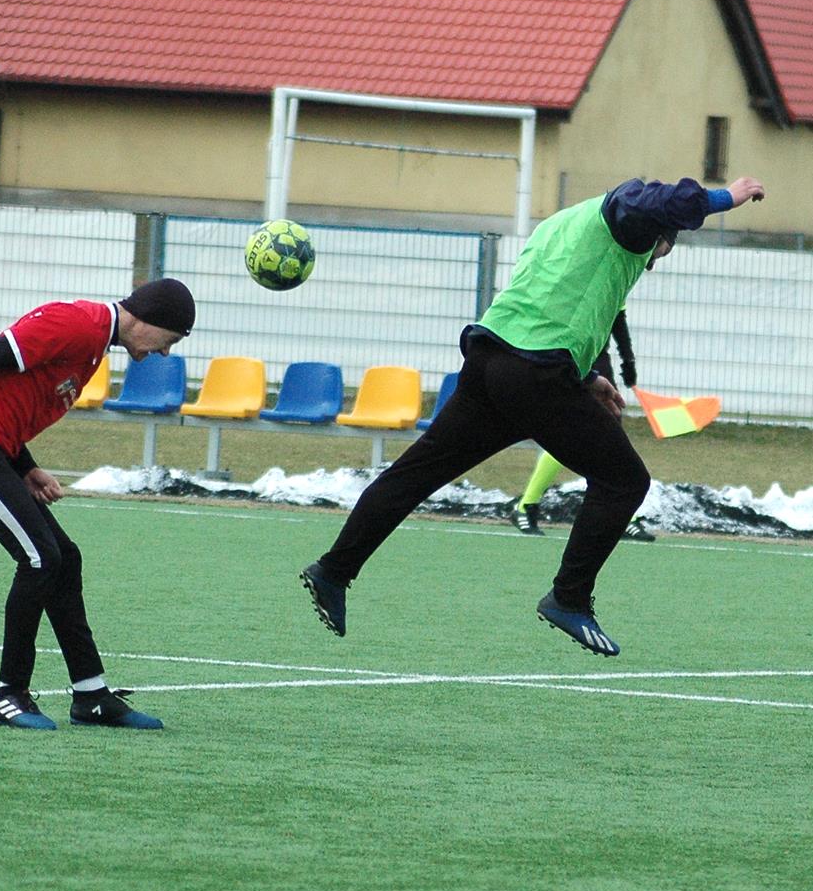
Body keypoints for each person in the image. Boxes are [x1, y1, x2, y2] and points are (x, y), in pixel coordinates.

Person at [300, 175, 766, 656]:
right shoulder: (628, 216)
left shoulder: (561, 226)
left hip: (491, 361)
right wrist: (724, 197)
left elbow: (548, 305)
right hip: (534, 374)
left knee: (417, 473)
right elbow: (653, 199)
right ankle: (569, 598)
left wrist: (587, 379)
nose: (654, 264)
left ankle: (334, 571)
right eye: (666, 249)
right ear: (660, 229)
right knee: (624, 481)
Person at [0, 279, 196, 731]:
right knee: (39, 557)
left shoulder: (94, 345)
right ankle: (9, 695)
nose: (165, 353)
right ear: (150, 320)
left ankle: (91, 696)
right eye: (171, 340)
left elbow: (12, 399)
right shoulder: (78, 324)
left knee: (63, 557)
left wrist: (25, 466)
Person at [510, 309, 654, 542]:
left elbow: (617, 317)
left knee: (610, 437)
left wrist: (628, 359)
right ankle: (526, 505)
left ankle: (624, 515)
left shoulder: (621, 275)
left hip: (599, 360)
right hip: (571, 357)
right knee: (568, 435)